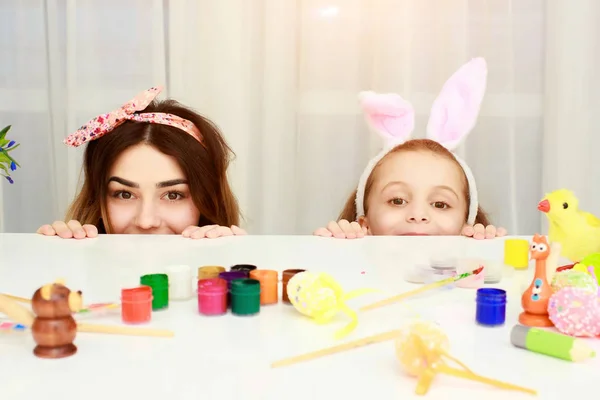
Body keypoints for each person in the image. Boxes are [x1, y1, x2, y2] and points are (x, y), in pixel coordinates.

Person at [313, 58, 506, 240]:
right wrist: (333, 252)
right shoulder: (343, 264)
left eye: (440, 204)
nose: (418, 215)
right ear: (365, 222)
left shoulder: (479, 263)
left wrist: (491, 255)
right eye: (397, 201)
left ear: (467, 225)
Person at [37, 86, 245, 239]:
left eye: (173, 195)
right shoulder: (74, 266)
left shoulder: (226, 270)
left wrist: (228, 269)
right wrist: (61, 260)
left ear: (208, 199)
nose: (146, 222)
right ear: (97, 200)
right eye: (124, 194)